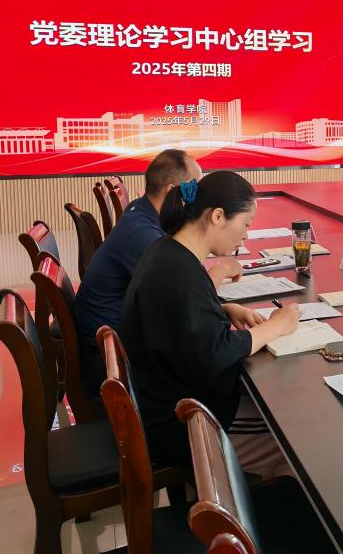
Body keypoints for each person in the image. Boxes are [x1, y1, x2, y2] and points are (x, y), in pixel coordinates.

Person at [122, 170, 302, 474]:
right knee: (296, 445)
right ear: (217, 216)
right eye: (245, 224)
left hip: (169, 402)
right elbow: (215, 352)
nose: (246, 236)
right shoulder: (180, 272)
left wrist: (223, 307)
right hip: (185, 427)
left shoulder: (168, 252)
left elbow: (181, 313)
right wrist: (276, 326)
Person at [75, 150, 242, 400]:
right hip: (111, 362)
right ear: (173, 190)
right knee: (215, 357)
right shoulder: (143, 235)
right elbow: (184, 293)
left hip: (116, 341)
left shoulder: (142, 212)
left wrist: (224, 308)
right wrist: (221, 270)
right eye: (196, 189)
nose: (201, 197)